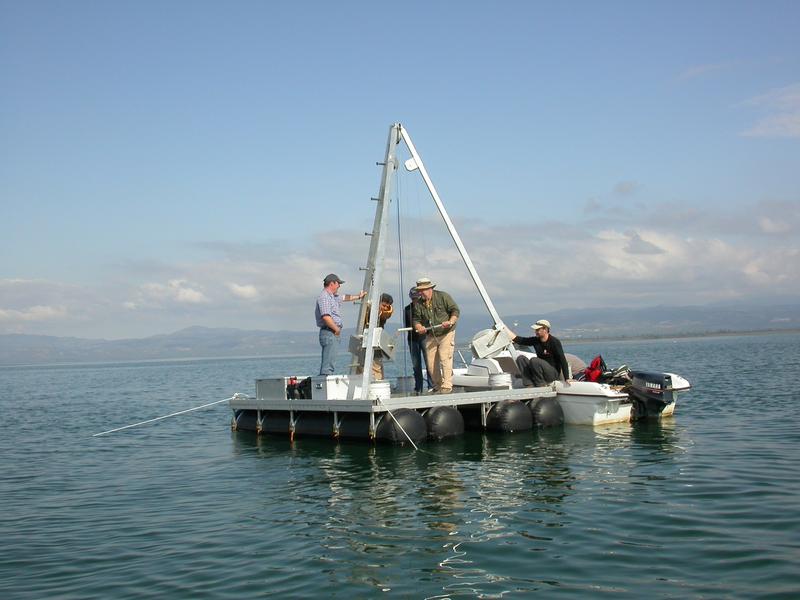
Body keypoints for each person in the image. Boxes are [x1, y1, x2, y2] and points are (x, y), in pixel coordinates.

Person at [411, 277, 460, 393]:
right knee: (431, 362)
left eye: (422, 290)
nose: (420, 293)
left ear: (430, 289)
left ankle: (447, 385)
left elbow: (455, 310)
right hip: (431, 335)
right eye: (419, 291)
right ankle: (438, 385)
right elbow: (416, 320)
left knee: (445, 358)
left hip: (446, 333)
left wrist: (451, 321)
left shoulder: (443, 297)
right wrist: (419, 327)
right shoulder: (418, 303)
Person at [315, 273, 365, 375]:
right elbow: (326, 317)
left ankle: (326, 381)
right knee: (328, 366)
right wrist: (336, 329)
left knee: (330, 361)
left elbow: (345, 297)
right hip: (329, 332)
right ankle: (325, 383)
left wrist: (359, 297)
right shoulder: (324, 297)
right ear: (332, 283)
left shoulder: (332, 297)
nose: (339, 286)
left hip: (331, 332)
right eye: (338, 283)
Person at [507, 319, 571, 387]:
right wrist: (504, 328)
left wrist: (567, 378)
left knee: (534, 360)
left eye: (538, 330)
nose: (535, 331)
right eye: (535, 330)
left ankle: (540, 384)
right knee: (520, 358)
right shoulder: (536, 340)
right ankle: (529, 384)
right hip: (539, 371)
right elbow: (520, 340)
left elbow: (562, 360)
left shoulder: (554, 342)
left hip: (552, 373)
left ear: (545, 329)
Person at [404, 287, 433, 394]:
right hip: (413, 339)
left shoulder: (425, 307)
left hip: (425, 338)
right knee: (416, 365)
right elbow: (407, 324)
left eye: (416, 298)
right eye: (413, 298)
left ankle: (431, 385)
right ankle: (418, 387)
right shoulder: (407, 309)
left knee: (429, 362)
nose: (415, 300)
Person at [369, 292, 394, 380]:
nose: (384, 308)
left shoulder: (384, 314)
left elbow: (387, 313)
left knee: (377, 363)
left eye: (387, 306)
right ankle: (378, 380)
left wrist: (385, 309)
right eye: (383, 305)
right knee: (374, 364)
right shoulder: (370, 310)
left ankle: (379, 380)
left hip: (378, 339)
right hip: (370, 338)